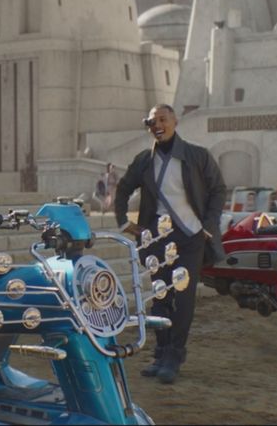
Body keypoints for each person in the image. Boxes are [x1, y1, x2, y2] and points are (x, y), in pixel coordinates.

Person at [114, 103, 226, 384]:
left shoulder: (197, 155)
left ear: (175, 122)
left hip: (190, 236)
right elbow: (123, 189)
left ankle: (175, 356)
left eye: (163, 120)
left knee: (184, 299)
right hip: (157, 239)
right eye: (152, 122)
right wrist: (124, 222)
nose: (158, 126)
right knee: (160, 297)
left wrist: (208, 226)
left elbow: (218, 189)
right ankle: (161, 354)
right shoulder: (144, 160)